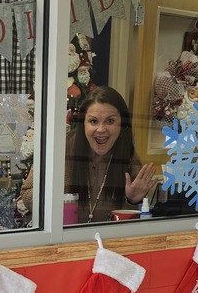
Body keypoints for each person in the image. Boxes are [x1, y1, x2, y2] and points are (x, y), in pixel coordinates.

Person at [65, 86, 156, 224]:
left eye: (110, 121)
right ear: (83, 123)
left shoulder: (129, 158)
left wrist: (131, 201)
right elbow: (28, 195)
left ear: (121, 125)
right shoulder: (62, 149)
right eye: (93, 121)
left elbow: (130, 227)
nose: (101, 129)